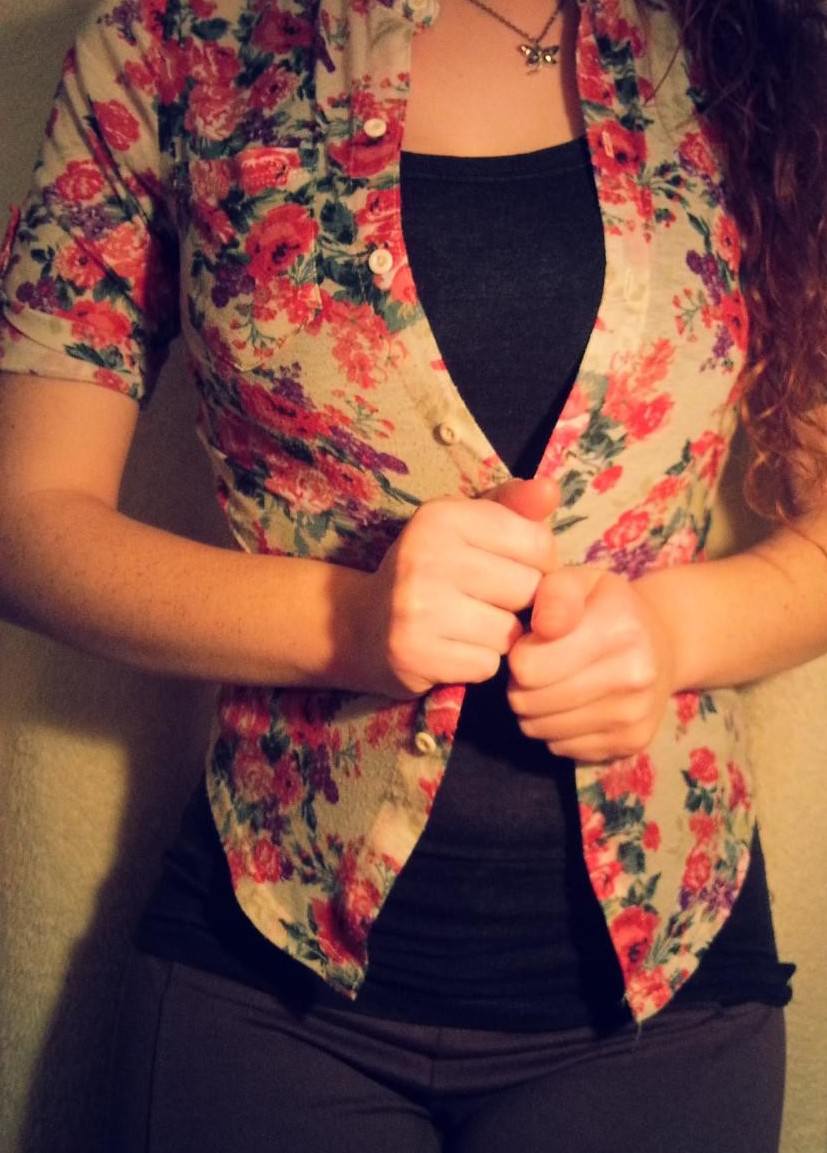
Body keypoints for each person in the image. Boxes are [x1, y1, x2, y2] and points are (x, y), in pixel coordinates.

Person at [0, 0, 825, 1149]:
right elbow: (27, 519)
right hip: (267, 978)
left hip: (669, 999)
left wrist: (672, 631)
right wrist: (342, 622)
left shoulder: (754, 48)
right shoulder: (172, 41)